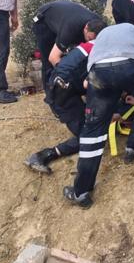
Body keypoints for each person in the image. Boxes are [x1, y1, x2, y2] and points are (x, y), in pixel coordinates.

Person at [64, 23, 134, 208]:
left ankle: (81, 192)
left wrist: (103, 102)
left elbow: (88, 85)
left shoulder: (101, 38)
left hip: (98, 73)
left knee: (93, 130)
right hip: (132, 68)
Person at [24, 40, 96, 174]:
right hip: (63, 94)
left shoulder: (95, 43)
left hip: (64, 84)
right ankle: (45, 155)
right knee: (88, 136)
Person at [31, 0, 106, 91]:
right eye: (90, 39)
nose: (90, 42)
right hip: (44, 19)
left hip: (66, 15)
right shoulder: (71, 28)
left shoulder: (101, 25)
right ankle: (51, 95)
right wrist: (72, 80)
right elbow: (53, 57)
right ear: (86, 28)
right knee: (48, 61)